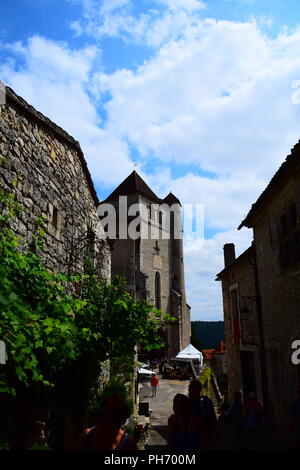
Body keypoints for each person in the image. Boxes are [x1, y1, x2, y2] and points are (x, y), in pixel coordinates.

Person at [188, 379, 218, 449]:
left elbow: (214, 421)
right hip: (194, 439)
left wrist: (216, 439)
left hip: (205, 437)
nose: (189, 391)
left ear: (197, 389)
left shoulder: (206, 402)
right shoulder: (187, 403)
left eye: (190, 388)